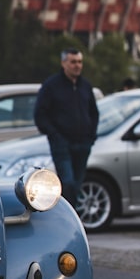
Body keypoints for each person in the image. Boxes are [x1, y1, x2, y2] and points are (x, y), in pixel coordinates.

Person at [34, 47, 99, 207]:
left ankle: (74, 217)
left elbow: (93, 112)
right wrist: (55, 135)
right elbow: (40, 114)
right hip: (62, 144)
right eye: (73, 62)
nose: (77, 65)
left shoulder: (85, 86)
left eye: (79, 62)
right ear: (64, 63)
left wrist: (91, 136)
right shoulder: (51, 86)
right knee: (67, 182)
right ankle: (69, 218)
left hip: (83, 144)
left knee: (77, 184)